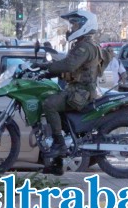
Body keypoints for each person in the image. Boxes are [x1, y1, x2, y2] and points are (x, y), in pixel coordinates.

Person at [31, 10, 101, 173]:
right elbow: (67, 65)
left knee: (49, 104)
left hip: (81, 93)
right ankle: (56, 164)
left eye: (75, 24)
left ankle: (60, 145)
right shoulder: (82, 44)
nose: (71, 28)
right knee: (55, 110)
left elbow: (69, 65)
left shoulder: (85, 47)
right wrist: (48, 72)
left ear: (85, 25)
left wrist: (45, 67)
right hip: (76, 89)